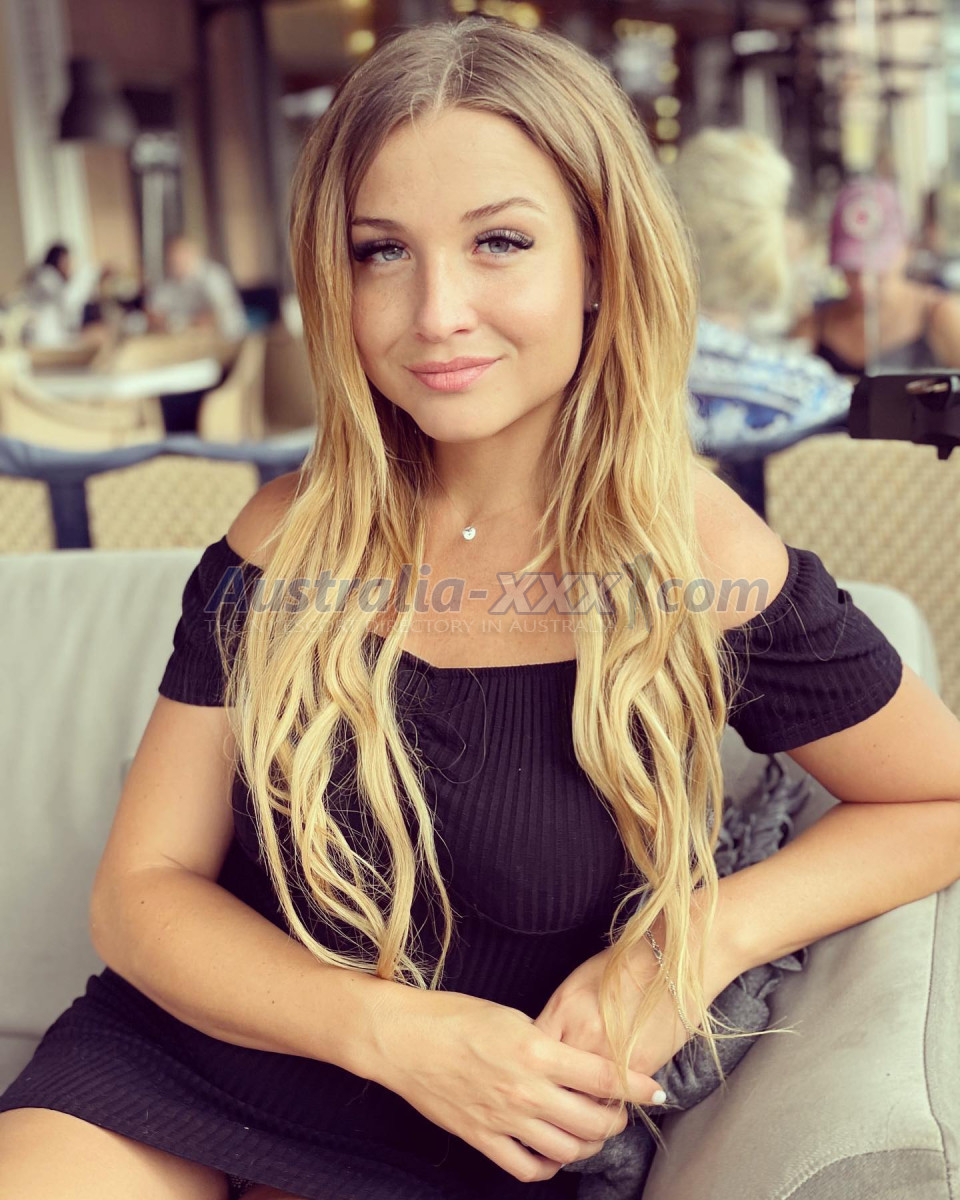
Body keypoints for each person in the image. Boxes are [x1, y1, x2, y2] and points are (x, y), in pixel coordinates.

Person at [2, 17, 957, 1200]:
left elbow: (939, 795)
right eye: (381, 251)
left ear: (600, 260)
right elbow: (140, 892)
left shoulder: (698, 554)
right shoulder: (282, 538)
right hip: (184, 1067)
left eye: (500, 241)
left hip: (470, 1136)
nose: (436, 311)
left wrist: (693, 941)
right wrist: (391, 1033)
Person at [668, 128, 853, 462]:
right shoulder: (806, 392)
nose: (797, 230)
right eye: (786, 210)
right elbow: (845, 403)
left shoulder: (637, 350)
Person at [794, 176, 960, 377]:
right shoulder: (813, 327)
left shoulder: (941, 317)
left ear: (908, 249)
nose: (864, 284)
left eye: (878, 271)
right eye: (852, 270)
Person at [145, 235, 249, 342]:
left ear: (194, 253)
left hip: (227, 340)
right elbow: (152, 313)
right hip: (185, 342)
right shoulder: (167, 282)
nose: (176, 259)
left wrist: (184, 323)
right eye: (172, 256)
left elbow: (217, 316)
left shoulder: (213, 276)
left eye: (181, 254)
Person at [19, 242, 109, 348]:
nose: (68, 264)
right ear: (57, 259)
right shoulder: (47, 277)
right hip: (45, 335)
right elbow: (67, 301)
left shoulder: (49, 277)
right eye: (66, 260)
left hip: (49, 334)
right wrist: (91, 275)